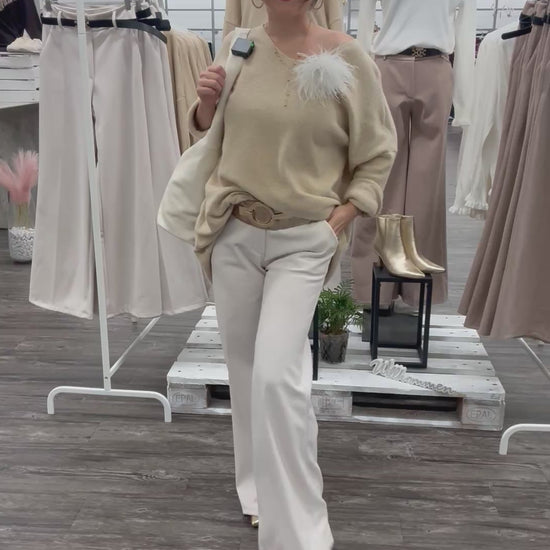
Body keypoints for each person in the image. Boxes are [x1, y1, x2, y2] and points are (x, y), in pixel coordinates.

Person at [189, 1, 397, 549]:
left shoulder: (347, 56)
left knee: (278, 378)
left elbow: (378, 152)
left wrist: (339, 221)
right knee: (245, 372)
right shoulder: (238, 46)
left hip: (305, 238)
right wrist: (205, 106)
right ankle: (257, 494)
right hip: (234, 230)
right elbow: (211, 136)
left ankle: (302, 532)